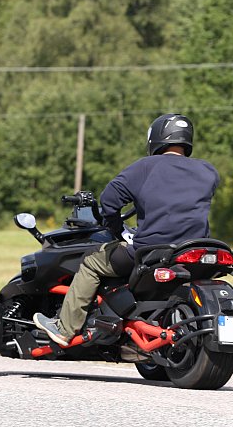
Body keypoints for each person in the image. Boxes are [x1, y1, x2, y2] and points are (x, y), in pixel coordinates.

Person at [33, 113, 220, 346]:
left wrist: (115, 227)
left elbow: (109, 200)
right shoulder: (208, 171)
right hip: (194, 251)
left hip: (153, 252)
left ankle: (65, 328)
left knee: (92, 262)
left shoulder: (145, 167)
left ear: (156, 139)